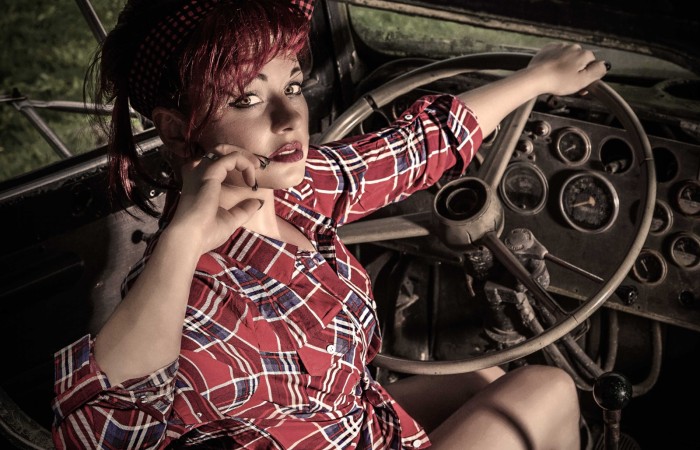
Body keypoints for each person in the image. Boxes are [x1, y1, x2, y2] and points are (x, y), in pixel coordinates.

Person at [50, 0, 608, 448]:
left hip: (348, 423)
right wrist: (182, 240)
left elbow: (415, 148)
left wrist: (537, 78)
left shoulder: (294, 190)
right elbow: (95, 432)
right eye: (247, 99)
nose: (290, 118)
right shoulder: (200, 302)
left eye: (292, 86)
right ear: (176, 132)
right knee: (549, 390)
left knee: (483, 381)